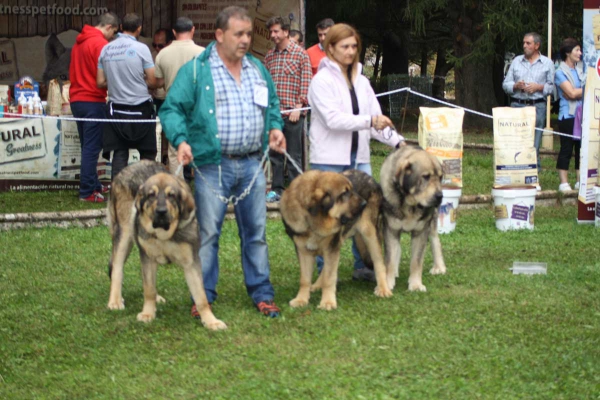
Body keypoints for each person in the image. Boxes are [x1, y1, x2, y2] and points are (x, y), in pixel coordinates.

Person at [159, 6, 287, 318]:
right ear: (219, 35)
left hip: (253, 164)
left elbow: (271, 102)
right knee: (208, 234)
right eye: (239, 34)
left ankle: (262, 293)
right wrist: (181, 139)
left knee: (256, 232)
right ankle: (202, 297)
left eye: (247, 34)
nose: (245, 40)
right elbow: (172, 108)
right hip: (212, 166)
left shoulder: (257, 68)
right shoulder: (196, 70)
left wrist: (274, 127)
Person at [308, 23, 404, 281]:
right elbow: (333, 120)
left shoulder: (362, 82)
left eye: (354, 46)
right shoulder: (320, 81)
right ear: (330, 49)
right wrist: (369, 122)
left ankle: (364, 266)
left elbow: (376, 120)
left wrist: (399, 143)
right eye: (344, 47)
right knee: (326, 218)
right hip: (328, 162)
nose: (350, 52)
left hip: (359, 160)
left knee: (365, 218)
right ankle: (324, 273)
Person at [97, 13, 158, 180]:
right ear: (139, 28)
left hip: (117, 109)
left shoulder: (106, 49)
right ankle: (147, 188)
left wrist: (118, 81)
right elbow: (152, 81)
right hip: (140, 109)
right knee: (147, 153)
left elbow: (100, 82)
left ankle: (118, 192)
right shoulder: (142, 49)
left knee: (119, 153)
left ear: (121, 28)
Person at [69, 12, 120, 203]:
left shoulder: (78, 43)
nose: (112, 37)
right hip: (93, 100)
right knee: (92, 148)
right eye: (113, 32)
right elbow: (106, 75)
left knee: (87, 146)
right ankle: (87, 191)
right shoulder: (100, 45)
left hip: (76, 100)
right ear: (108, 27)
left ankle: (95, 184)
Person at [264, 16, 311, 203]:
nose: (273, 35)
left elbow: (306, 83)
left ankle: (295, 192)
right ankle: (276, 190)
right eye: (271, 32)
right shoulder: (269, 56)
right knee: (275, 155)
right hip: (275, 115)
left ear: (285, 32)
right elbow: (265, 85)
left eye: (276, 31)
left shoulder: (300, 55)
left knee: (293, 155)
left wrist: (298, 107)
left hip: (293, 114)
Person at [502, 32, 555, 189]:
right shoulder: (517, 61)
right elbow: (505, 84)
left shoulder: (547, 63)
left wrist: (539, 87)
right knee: (515, 143)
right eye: (524, 43)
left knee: (534, 144)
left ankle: (533, 178)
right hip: (517, 105)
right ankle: (514, 176)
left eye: (528, 43)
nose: (524, 46)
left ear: (537, 46)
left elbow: (552, 87)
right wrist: (515, 86)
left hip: (537, 106)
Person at [155, 17, 205, 178]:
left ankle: (178, 189)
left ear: (174, 32)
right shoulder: (203, 53)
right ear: (193, 30)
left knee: (174, 150)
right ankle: (203, 187)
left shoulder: (163, 54)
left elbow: (158, 81)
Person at [555, 38, 584, 192]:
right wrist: (582, 91)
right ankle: (563, 182)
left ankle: (580, 180)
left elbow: (574, 92)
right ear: (568, 52)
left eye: (580, 50)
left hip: (582, 114)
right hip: (568, 115)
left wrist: (576, 93)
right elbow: (571, 93)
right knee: (567, 148)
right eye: (577, 50)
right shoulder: (560, 72)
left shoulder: (580, 70)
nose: (580, 53)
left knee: (581, 148)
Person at [151, 28, 174, 112]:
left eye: (160, 45)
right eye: (154, 45)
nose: (157, 48)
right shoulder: (152, 55)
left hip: (169, 99)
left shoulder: (173, 56)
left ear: (169, 43)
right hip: (156, 99)